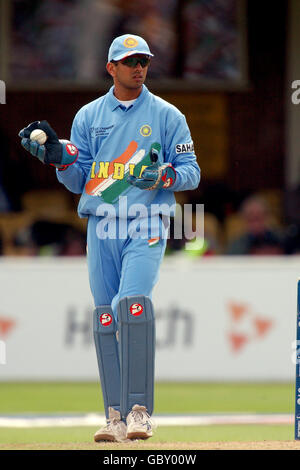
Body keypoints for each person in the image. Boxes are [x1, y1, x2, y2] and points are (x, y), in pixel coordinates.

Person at [18, 34, 200, 442]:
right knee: (105, 318)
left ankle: (140, 412)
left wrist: (165, 175)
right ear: (111, 68)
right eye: (129, 61)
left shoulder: (168, 115)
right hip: (102, 225)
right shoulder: (88, 116)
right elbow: (79, 179)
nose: (139, 67)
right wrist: (59, 159)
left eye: (144, 61)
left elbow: (192, 171)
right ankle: (115, 418)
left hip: (146, 222)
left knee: (130, 306)